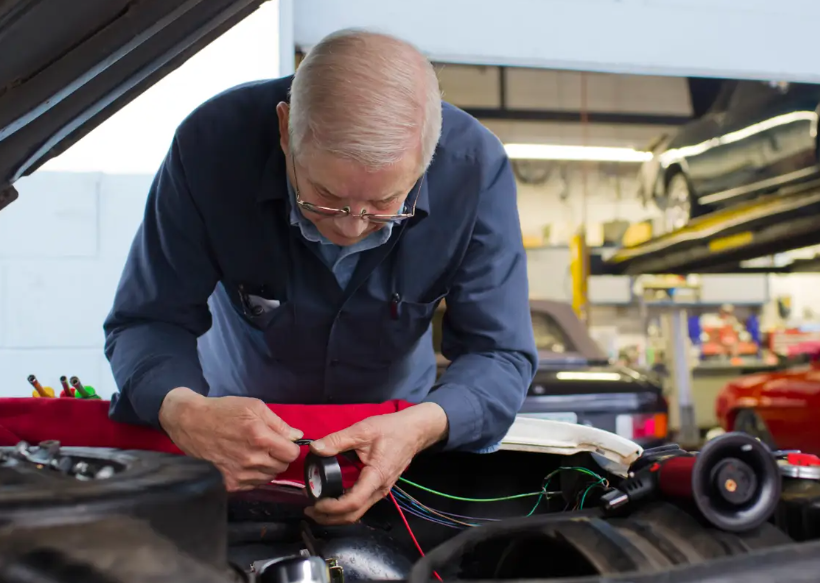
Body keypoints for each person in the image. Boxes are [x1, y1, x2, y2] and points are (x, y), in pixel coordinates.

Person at [103, 29, 538, 525]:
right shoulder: (212, 146)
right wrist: (182, 409)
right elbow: (147, 319)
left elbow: (499, 352)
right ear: (285, 130)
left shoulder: (474, 169)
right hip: (236, 444)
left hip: (396, 443)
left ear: (428, 158)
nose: (351, 226)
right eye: (324, 198)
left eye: (384, 206)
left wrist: (421, 427)